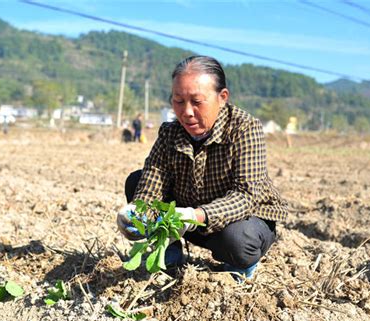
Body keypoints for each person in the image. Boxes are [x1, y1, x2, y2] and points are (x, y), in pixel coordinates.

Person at [117, 56, 288, 280]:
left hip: (238, 222)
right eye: (178, 101)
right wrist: (137, 215)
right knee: (136, 180)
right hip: (187, 221)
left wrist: (194, 215)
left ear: (222, 97)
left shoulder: (245, 129)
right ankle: (168, 251)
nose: (186, 112)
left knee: (238, 240)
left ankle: (238, 263)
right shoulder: (170, 133)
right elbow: (151, 184)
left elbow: (245, 196)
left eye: (197, 102)